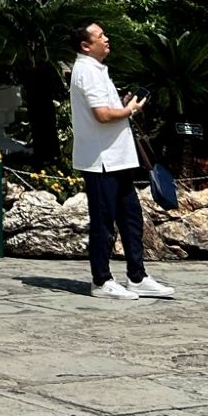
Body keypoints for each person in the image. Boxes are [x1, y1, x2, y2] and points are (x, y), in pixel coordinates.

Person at [72, 21, 174, 301]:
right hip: (100, 160)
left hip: (117, 158)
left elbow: (108, 110)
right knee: (103, 222)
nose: (107, 38)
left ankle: (137, 276)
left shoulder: (97, 70)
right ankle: (101, 280)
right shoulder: (86, 72)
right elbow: (102, 115)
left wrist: (126, 105)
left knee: (131, 217)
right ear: (85, 45)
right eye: (100, 35)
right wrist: (129, 110)